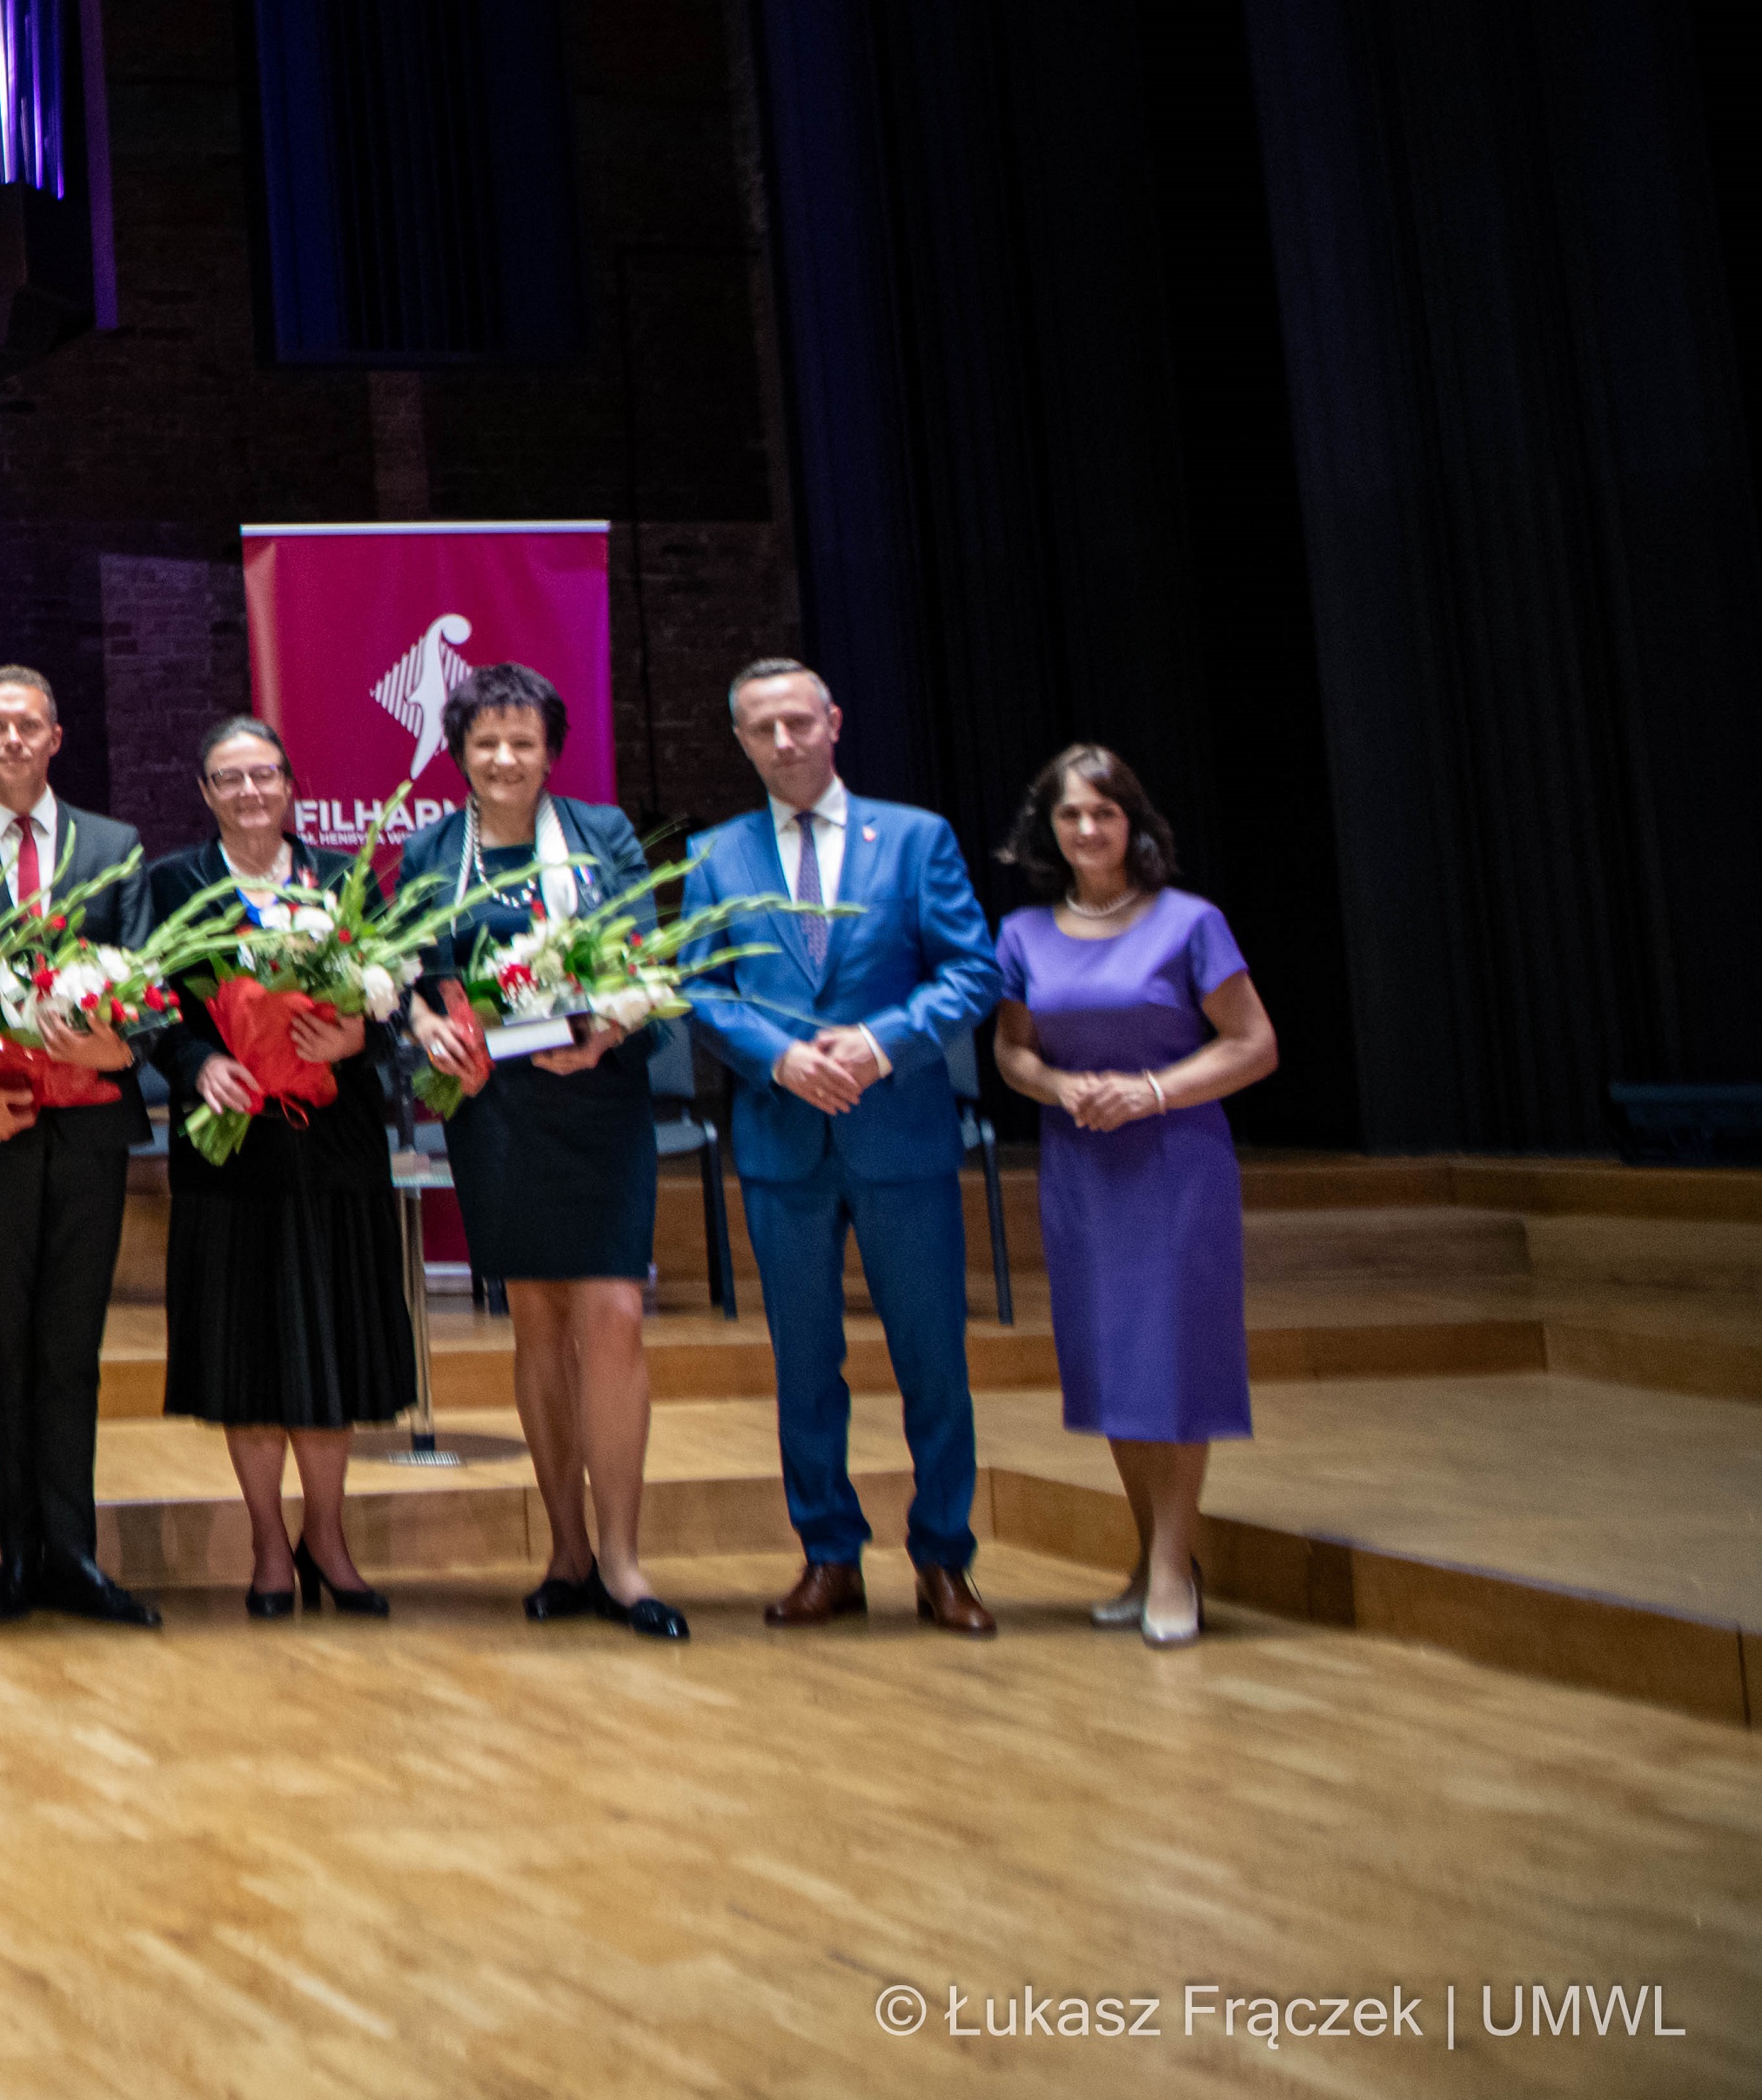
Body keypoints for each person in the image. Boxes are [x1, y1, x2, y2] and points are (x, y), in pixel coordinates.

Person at [684, 658, 1006, 1638]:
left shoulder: (915, 839)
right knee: (804, 1363)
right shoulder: (715, 854)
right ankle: (829, 1552)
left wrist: (879, 1043)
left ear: (834, 721)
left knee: (932, 1360)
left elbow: (972, 970)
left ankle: (944, 1558)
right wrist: (778, 1058)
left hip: (898, 1133)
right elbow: (700, 991)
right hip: (783, 1140)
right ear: (740, 742)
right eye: (761, 729)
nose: (783, 742)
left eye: (797, 722)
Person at [393, 663, 680, 1642]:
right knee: (537, 1319)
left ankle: (627, 1557)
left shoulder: (602, 835)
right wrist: (426, 1027)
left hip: (599, 1098)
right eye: (485, 743)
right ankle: (564, 1550)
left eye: (522, 741)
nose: (504, 758)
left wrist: (603, 1031)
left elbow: (645, 957)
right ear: (460, 754)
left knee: (612, 1312)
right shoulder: (432, 849)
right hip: (498, 1109)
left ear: (551, 749)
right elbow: (411, 978)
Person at [988, 743, 1274, 1649]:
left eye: (1103, 813)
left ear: (1133, 824)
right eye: (1070, 814)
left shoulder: (1191, 922)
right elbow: (1013, 1051)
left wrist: (1153, 1090)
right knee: (1115, 1371)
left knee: (1173, 1366)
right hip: (1081, 1166)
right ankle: (1156, 1554)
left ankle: (1172, 1569)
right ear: (1050, 829)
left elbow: (1254, 1043)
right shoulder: (1025, 933)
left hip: (1174, 1160)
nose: (1086, 828)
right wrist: (1055, 1089)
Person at [0, 665, 160, 1633]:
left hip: (92, 1121)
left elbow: (145, 974)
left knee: (74, 1346)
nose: (13, 740)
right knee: (12, 1344)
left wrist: (123, 1039)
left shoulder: (114, 844)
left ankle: (78, 1551)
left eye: (30, 725)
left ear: (57, 736)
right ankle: (18, 1553)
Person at [148, 714, 406, 1622]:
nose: (250, 792)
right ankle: (266, 1541)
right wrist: (196, 1064)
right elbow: (152, 1008)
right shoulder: (174, 884)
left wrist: (359, 1032)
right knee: (248, 1351)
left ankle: (328, 1537)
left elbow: (393, 996)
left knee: (328, 1346)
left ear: (292, 786)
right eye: (230, 779)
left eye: (265, 776)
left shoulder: (343, 878)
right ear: (207, 793)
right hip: (231, 1145)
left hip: (332, 1144)